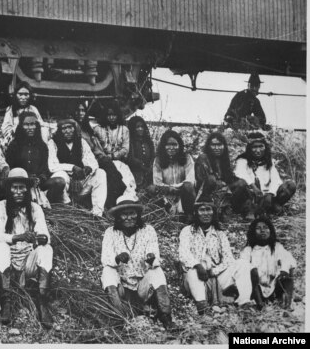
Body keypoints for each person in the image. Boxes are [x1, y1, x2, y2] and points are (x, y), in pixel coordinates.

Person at [0, 168, 54, 328]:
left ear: (27, 189)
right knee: (1, 247)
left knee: (47, 249)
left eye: (22, 188)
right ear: (8, 189)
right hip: (7, 263)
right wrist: (17, 237)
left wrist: (39, 238)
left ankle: (42, 301)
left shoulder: (35, 208)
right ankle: (5, 300)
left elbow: (45, 234)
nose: (18, 192)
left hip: (27, 263)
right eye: (14, 188)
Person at [101, 192, 173, 330]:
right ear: (118, 217)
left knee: (156, 271)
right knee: (107, 271)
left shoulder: (148, 230)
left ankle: (166, 317)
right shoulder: (110, 232)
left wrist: (151, 259)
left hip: (142, 287)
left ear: (138, 214)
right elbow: (105, 259)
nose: (129, 217)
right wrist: (117, 258)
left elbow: (155, 258)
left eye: (132, 213)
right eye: (124, 214)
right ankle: (119, 316)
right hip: (122, 287)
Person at [178, 196, 252, 315]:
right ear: (196, 213)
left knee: (242, 263)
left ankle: (244, 303)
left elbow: (229, 258)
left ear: (213, 212)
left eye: (209, 209)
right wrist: (198, 265)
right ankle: (202, 306)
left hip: (216, 278)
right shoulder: (187, 231)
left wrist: (214, 271)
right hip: (196, 280)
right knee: (192, 271)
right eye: (202, 210)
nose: (206, 213)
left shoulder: (220, 233)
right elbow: (183, 254)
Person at [47, 118, 107, 216]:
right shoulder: (52, 143)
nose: (67, 131)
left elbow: (92, 160)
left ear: (74, 128)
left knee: (100, 173)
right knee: (60, 175)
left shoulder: (81, 141)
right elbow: (52, 166)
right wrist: (72, 168)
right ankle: (67, 206)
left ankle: (97, 213)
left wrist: (89, 168)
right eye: (64, 128)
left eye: (70, 127)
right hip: (65, 186)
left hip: (80, 183)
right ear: (59, 131)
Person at [6, 111, 65, 206]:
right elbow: (11, 167)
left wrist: (40, 178)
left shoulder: (42, 146)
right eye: (26, 125)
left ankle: (51, 204)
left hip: (38, 183)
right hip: (20, 183)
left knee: (59, 182)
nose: (30, 128)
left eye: (33, 124)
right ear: (21, 126)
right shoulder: (14, 146)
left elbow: (45, 169)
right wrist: (26, 177)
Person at [233, 131, 296, 218]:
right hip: (251, 196)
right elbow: (241, 173)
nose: (258, 150)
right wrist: (253, 187)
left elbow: (275, 179)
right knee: (240, 184)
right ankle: (253, 209)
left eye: (261, 146)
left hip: (267, 196)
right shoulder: (242, 160)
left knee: (290, 185)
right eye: (254, 147)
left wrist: (270, 193)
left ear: (265, 147)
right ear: (249, 148)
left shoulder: (268, 161)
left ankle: (272, 205)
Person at [239, 217, 296, 309]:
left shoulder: (277, 247)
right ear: (253, 232)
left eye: (265, 227)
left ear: (270, 230)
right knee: (250, 271)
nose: (262, 230)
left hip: (274, 286)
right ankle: (260, 304)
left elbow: (288, 259)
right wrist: (252, 270)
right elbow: (243, 264)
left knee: (288, 269)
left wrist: (284, 270)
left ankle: (287, 303)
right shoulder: (248, 250)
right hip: (256, 288)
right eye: (258, 228)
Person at [147, 129, 195, 221]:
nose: (171, 148)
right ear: (163, 146)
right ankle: (163, 215)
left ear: (179, 145)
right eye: (168, 145)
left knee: (188, 186)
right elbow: (157, 182)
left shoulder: (187, 158)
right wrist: (169, 188)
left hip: (183, 193)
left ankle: (189, 215)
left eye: (174, 144)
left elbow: (190, 179)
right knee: (152, 188)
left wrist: (176, 187)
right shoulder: (158, 160)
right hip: (166, 193)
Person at [194, 132, 241, 219]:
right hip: (207, 193)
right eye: (213, 145)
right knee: (212, 180)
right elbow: (204, 181)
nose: (216, 148)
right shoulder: (203, 158)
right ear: (209, 146)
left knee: (242, 183)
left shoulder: (224, 160)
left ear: (224, 146)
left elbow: (229, 178)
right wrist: (224, 186)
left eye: (219, 145)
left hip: (223, 192)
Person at [0, 82, 49, 153]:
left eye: (26, 94)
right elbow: (5, 129)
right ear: (16, 95)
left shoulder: (33, 109)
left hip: (32, 138)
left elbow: (39, 124)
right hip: (17, 139)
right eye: (20, 94)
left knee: (44, 130)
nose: (23, 98)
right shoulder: (10, 109)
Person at [126, 116, 154, 189]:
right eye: (137, 127)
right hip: (135, 173)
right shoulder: (130, 142)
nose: (140, 129)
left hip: (149, 172)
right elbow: (131, 158)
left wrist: (150, 166)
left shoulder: (148, 142)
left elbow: (153, 156)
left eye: (142, 126)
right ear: (132, 129)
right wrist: (142, 166)